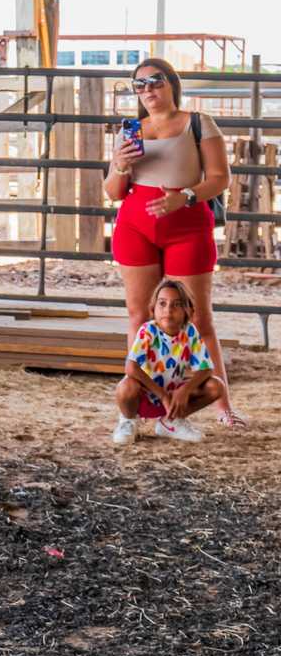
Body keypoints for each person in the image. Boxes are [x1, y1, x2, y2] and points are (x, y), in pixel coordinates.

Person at [105, 57, 246, 430]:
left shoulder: (198, 123)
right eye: (139, 85)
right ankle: (136, 408)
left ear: (171, 83)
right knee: (140, 315)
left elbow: (219, 178)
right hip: (136, 225)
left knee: (197, 319)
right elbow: (113, 192)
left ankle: (222, 407)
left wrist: (183, 197)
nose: (148, 90)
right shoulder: (131, 131)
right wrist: (119, 163)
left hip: (185, 222)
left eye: (155, 82)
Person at [114, 279, 226, 445]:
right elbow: (131, 368)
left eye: (177, 304)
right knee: (125, 387)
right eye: (162, 304)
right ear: (153, 308)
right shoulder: (148, 330)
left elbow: (206, 369)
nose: (168, 310)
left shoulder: (189, 331)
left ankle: (170, 421)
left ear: (188, 309)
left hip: (174, 399)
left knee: (216, 386)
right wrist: (162, 395)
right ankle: (128, 421)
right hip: (145, 394)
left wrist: (185, 390)